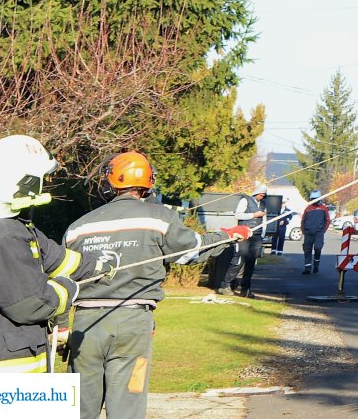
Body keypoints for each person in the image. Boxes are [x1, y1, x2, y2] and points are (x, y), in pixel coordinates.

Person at [63, 152, 250, 419]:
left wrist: (61, 327)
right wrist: (229, 236)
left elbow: (62, 279)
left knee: (78, 409)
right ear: (148, 182)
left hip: (85, 326)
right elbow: (192, 251)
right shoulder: (159, 218)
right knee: (127, 407)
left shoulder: (77, 227)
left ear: (110, 180)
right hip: (133, 326)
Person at [0, 135, 103, 374]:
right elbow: (30, 304)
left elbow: (54, 258)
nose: (46, 184)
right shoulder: (1, 235)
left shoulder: (1, 227)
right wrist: (67, 289)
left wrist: (99, 265)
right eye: (42, 178)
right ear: (25, 182)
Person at [299, 198, 331, 274]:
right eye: (313, 199)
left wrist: (323, 231)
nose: (314, 200)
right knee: (307, 250)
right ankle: (307, 268)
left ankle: (316, 265)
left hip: (319, 233)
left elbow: (327, 220)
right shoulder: (308, 208)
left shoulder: (323, 208)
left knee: (318, 248)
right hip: (308, 233)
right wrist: (304, 231)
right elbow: (303, 220)